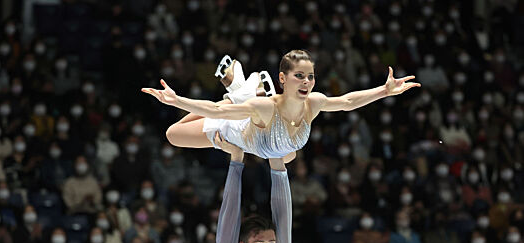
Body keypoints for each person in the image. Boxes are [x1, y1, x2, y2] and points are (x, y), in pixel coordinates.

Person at [142, 50, 420, 162]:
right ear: (283, 78)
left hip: (275, 148)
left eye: (311, 76)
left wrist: (384, 91)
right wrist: (177, 100)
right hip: (234, 130)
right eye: (299, 76)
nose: (307, 82)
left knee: (289, 157)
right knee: (172, 134)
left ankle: (241, 91)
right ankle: (237, 94)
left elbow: (348, 102)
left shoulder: (315, 102)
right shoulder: (267, 109)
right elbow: (216, 113)